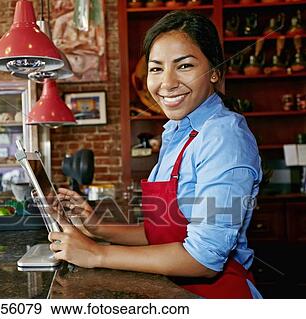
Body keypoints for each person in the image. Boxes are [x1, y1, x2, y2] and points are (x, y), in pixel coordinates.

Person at [48, 11, 262, 299]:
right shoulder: (178, 132)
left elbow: (204, 259)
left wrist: (97, 254)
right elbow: (163, 231)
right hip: (175, 292)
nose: (167, 83)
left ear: (215, 70)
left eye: (184, 66)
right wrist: (99, 228)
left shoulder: (224, 137)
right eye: (156, 68)